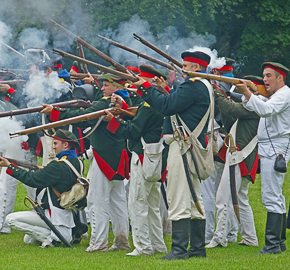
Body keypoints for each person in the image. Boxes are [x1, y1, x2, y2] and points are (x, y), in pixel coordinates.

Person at [128, 51, 214, 260]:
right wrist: (163, 89)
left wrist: (145, 87)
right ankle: (196, 249)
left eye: (186, 65)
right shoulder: (204, 85)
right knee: (194, 197)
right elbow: (177, 105)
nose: (182, 67)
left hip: (183, 146)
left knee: (178, 196)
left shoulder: (193, 85)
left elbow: (167, 106)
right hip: (189, 145)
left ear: (195, 67)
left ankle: (179, 249)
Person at [41, 71, 132, 253]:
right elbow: (98, 101)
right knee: (118, 201)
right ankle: (122, 241)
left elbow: (84, 118)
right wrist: (94, 84)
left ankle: (98, 244)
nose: (103, 88)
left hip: (103, 156)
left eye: (106, 85)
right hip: (118, 156)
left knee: (97, 201)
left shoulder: (109, 103)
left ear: (117, 87)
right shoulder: (126, 102)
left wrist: (55, 112)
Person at [104, 65, 167, 256]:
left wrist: (113, 121)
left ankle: (143, 247)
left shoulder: (148, 105)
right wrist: (123, 107)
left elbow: (133, 130)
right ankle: (158, 245)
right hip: (155, 156)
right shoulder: (158, 101)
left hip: (143, 156)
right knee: (152, 205)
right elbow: (140, 117)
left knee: (137, 203)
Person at [235, 62, 290, 254]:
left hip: (276, 147)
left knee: (271, 196)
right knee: (275, 195)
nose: (264, 80)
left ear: (279, 77)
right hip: (272, 146)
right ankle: (279, 242)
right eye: (264, 76)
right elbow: (255, 107)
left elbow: (265, 110)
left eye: (268, 76)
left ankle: (273, 244)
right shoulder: (276, 95)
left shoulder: (284, 94)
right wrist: (248, 93)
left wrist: (249, 93)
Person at [206, 75, 262, 248]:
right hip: (240, 156)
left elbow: (231, 109)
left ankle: (220, 237)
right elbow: (229, 118)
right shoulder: (249, 106)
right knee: (241, 199)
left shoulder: (256, 107)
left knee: (223, 198)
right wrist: (222, 97)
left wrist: (216, 93)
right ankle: (250, 237)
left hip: (241, 156)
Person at [1, 129, 83, 247]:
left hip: (55, 216)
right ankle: (60, 235)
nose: (53, 147)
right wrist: (43, 169)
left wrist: (10, 167)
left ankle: (55, 240)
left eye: (55, 143)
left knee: (10, 219)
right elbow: (59, 174)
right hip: (67, 217)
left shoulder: (57, 166)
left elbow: (32, 179)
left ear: (65, 145)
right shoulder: (78, 163)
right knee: (28, 240)